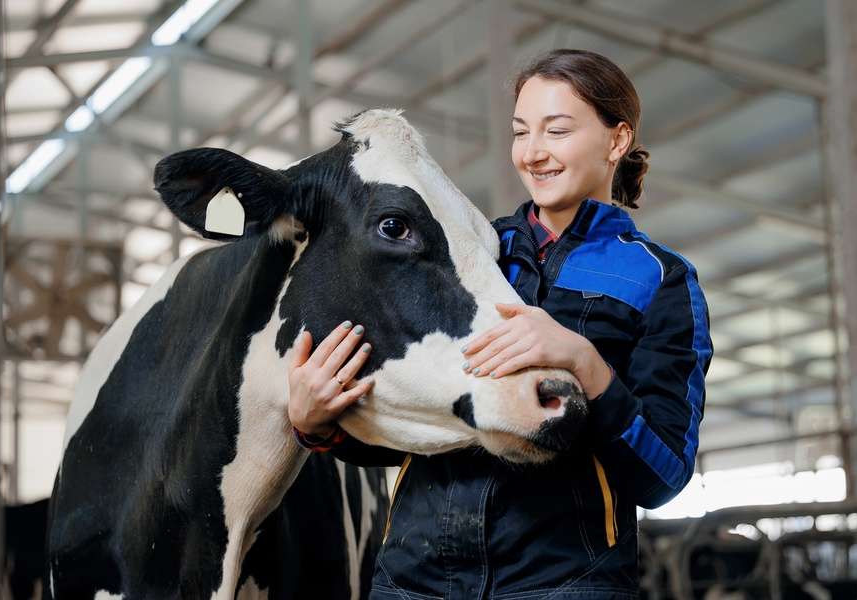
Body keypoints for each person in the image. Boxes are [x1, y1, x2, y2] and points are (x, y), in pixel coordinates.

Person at [287, 48, 713, 599]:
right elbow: (407, 431)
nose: (533, 154)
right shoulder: (464, 250)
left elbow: (663, 476)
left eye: (556, 131)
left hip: (565, 584)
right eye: (520, 132)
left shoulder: (660, 278)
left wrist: (583, 360)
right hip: (415, 580)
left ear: (617, 141)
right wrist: (318, 426)